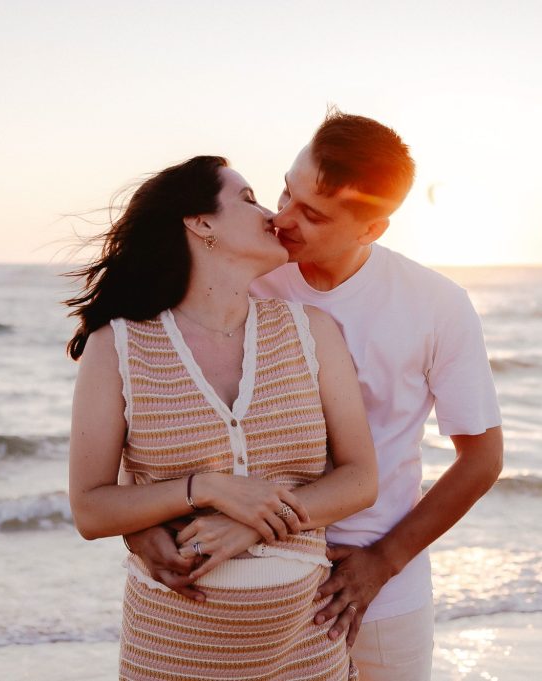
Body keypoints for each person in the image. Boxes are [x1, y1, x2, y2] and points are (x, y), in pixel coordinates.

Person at [126, 113, 504, 680]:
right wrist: (138, 525)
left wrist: (384, 562)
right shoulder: (247, 276)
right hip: (249, 574)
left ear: (370, 230)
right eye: (285, 191)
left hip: (376, 582)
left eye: (314, 214)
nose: (283, 218)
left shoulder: (436, 304)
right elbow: (158, 407)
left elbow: (482, 458)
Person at [65, 155, 378, 680]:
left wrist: (248, 526)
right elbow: (91, 510)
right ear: (200, 222)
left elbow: (359, 478)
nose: (272, 216)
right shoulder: (117, 345)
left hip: (306, 654)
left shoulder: (310, 330)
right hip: (172, 656)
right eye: (249, 198)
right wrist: (206, 488)